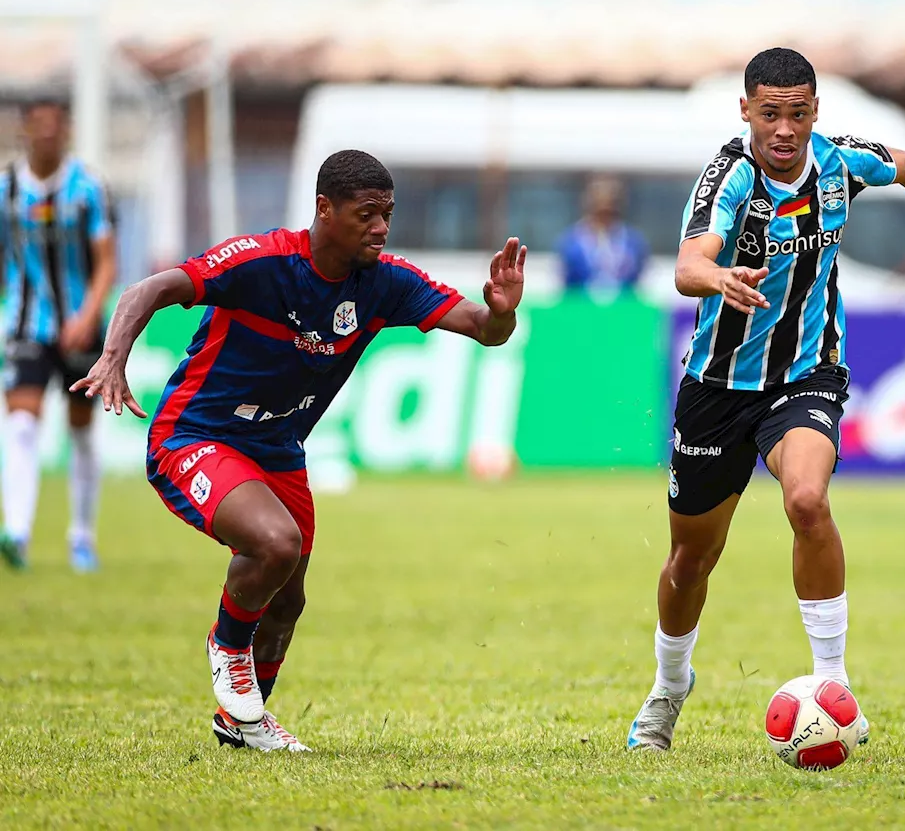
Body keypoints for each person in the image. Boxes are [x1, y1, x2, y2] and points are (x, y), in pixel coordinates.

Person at [626, 48, 905, 752]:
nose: (785, 129)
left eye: (798, 113)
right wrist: (716, 278)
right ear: (746, 112)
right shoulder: (728, 177)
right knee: (690, 560)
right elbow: (686, 263)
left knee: (807, 498)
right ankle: (669, 686)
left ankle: (834, 683)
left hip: (807, 374)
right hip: (716, 388)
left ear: (815, 112)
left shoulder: (838, 164)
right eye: (770, 113)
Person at [71, 149, 527, 752]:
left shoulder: (384, 283)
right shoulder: (261, 262)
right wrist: (113, 357)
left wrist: (501, 313)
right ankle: (227, 644)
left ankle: (243, 723)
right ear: (324, 209)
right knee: (275, 543)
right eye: (367, 214)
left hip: (278, 449)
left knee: (288, 600)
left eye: (387, 214)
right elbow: (148, 289)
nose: (381, 228)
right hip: (196, 435)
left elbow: (481, 328)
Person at [0, 97, 117, 573]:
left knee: (81, 430)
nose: (47, 132)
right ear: (25, 129)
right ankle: (18, 534)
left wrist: (88, 315)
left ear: (66, 130)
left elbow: (107, 260)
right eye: (38, 124)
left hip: (81, 325)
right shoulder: (6, 189)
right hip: (27, 325)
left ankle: (82, 536)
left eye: (56, 125)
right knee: (23, 425)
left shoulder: (87, 188)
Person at [556, 176, 649, 296]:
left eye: (609, 212)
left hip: (622, 308)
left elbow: (639, 277)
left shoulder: (633, 242)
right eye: (600, 212)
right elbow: (565, 280)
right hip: (581, 308)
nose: (604, 218)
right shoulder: (571, 242)